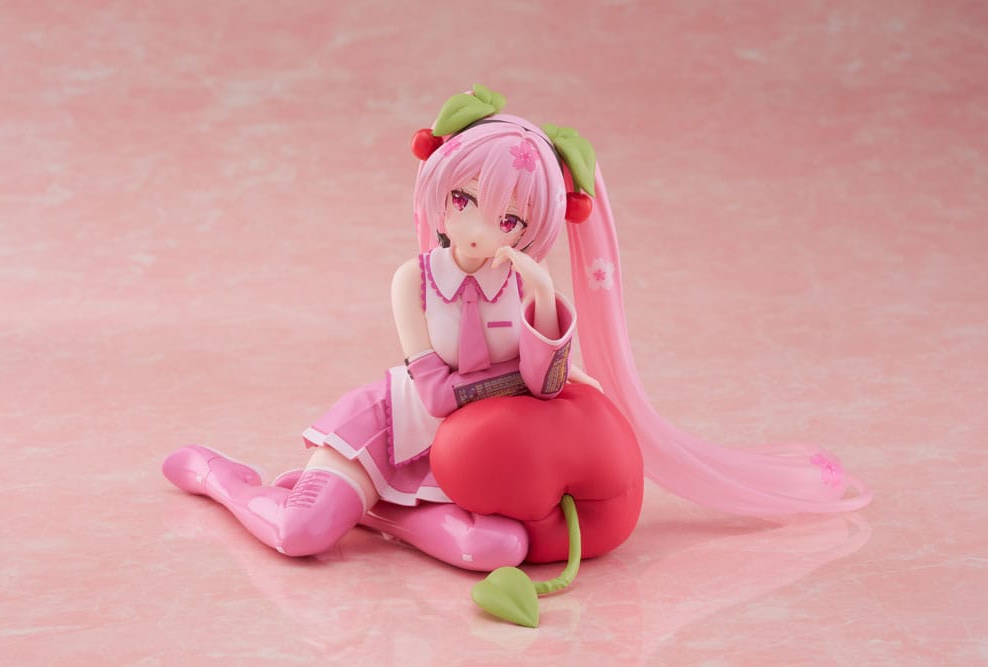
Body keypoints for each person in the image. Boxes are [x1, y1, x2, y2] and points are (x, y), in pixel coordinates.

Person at [163, 85, 871, 571]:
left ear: (530, 228)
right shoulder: (414, 280)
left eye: (508, 219)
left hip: (477, 456)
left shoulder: (524, 286)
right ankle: (223, 478)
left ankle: (375, 514)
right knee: (300, 535)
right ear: (440, 195)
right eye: (464, 201)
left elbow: (547, 384)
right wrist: (522, 382)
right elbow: (436, 393)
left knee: (498, 548)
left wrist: (539, 299)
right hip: (393, 428)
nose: (480, 229)